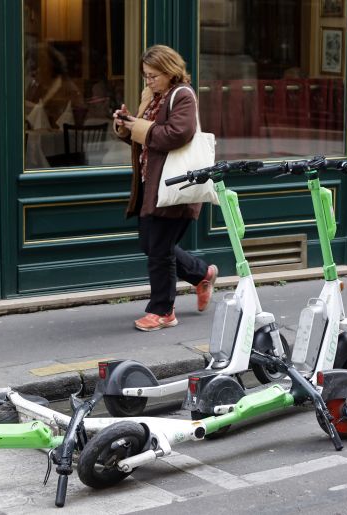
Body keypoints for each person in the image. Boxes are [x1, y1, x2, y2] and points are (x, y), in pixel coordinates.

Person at [113, 45, 218, 332]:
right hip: (152, 186)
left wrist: (139, 128)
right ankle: (200, 274)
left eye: (153, 76)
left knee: (159, 249)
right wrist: (126, 127)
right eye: (145, 76)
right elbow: (147, 139)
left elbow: (178, 134)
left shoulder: (183, 95)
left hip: (175, 185)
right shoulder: (154, 98)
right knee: (151, 244)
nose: (148, 81)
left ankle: (162, 311)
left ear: (170, 70)